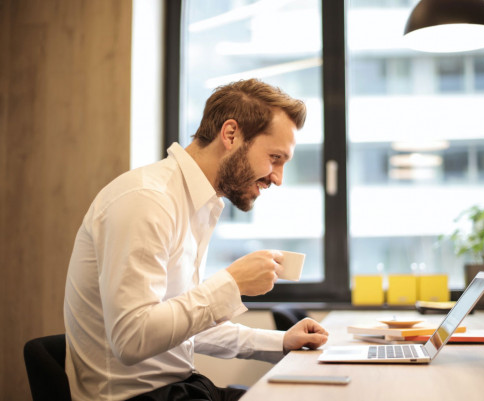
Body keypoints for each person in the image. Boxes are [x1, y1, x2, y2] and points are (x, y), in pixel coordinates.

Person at [63, 78, 329, 401]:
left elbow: (181, 328)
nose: (278, 178)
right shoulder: (147, 200)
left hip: (179, 389)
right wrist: (230, 284)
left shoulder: (199, 204)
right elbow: (131, 339)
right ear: (230, 135)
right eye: (275, 158)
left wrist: (280, 342)